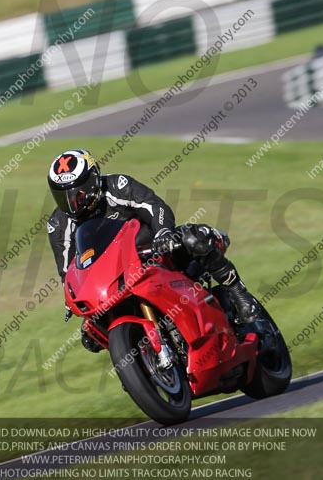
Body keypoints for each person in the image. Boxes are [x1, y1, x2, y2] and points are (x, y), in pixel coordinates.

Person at [46, 149, 262, 352]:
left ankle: (238, 292)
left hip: (153, 252)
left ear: (93, 180)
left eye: (78, 192)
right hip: (113, 278)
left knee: (193, 239)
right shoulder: (58, 224)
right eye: (62, 196)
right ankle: (141, 361)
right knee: (90, 336)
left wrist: (163, 235)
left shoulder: (116, 186)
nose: (72, 202)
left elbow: (154, 206)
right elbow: (68, 270)